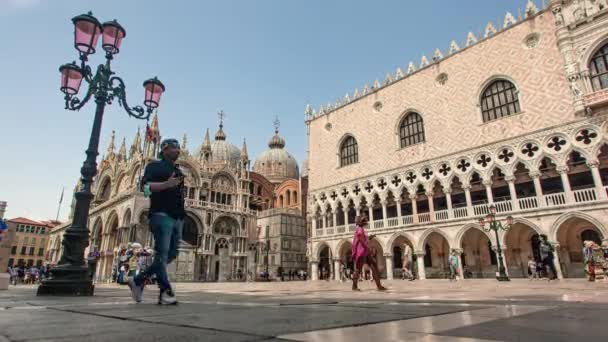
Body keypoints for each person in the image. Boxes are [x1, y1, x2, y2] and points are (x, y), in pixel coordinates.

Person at [129, 138, 185, 305]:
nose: (178, 150)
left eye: (179, 148)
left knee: (171, 254)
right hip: (161, 215)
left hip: (177, 218)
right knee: (161, 254)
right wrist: (166, 184)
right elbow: (145, 189)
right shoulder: (154, 166)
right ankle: (166, 292)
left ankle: (138, 280)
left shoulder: (178, 171)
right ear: (164, 149)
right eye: (175, 147)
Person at [351, 215, 386, 291]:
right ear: (361, 222)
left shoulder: (361, 229)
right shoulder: (360, 229)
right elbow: (361, 240)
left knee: (374, 266)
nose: (366, 221)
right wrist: (368, 248)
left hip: (365, 252)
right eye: (365, 220)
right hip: (361, 251)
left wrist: (370, 237)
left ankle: (379, 285)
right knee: (358, 269)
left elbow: (364, 239)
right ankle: (354, 286)